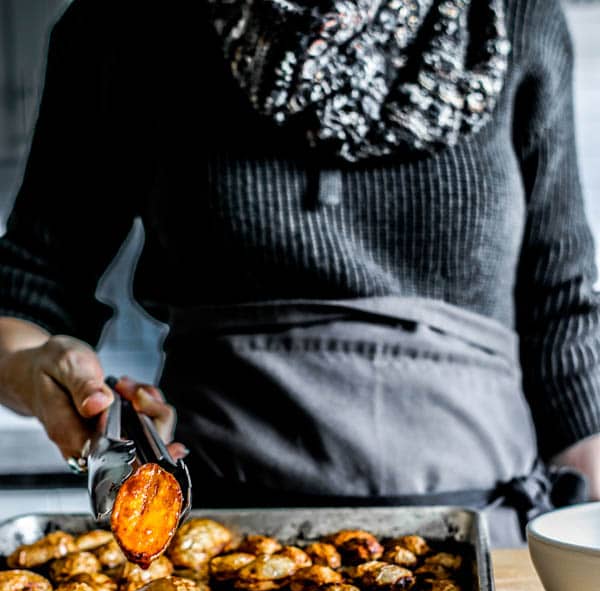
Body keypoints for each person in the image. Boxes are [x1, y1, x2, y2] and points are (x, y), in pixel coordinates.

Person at [0, 0, 598, 545]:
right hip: (217, 529)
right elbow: (31, 292)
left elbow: (563, 311)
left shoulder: (518, 19)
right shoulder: (126, 24)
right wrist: (41, 374)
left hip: (481, 532)